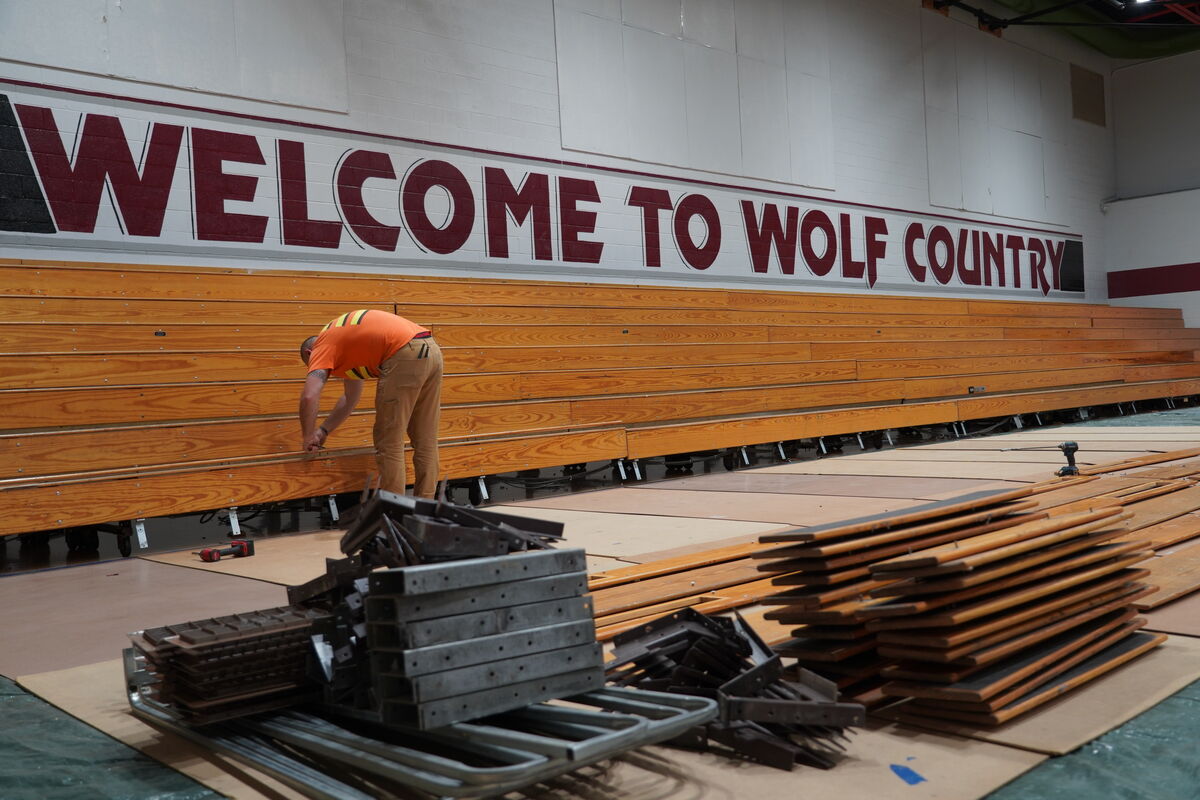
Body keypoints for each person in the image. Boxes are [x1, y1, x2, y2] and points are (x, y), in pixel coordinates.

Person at [298, 309, 443, 498]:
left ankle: (395, 509)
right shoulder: (345, 345)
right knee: (425, 438)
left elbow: (309, 395)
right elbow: (350, 399)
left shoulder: (322, 344)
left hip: (403, 352)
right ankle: (426, 507)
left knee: (389, 439)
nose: (325, 369)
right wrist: (323, 430)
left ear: (310, 353)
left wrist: (308, 435)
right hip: (431, 349)